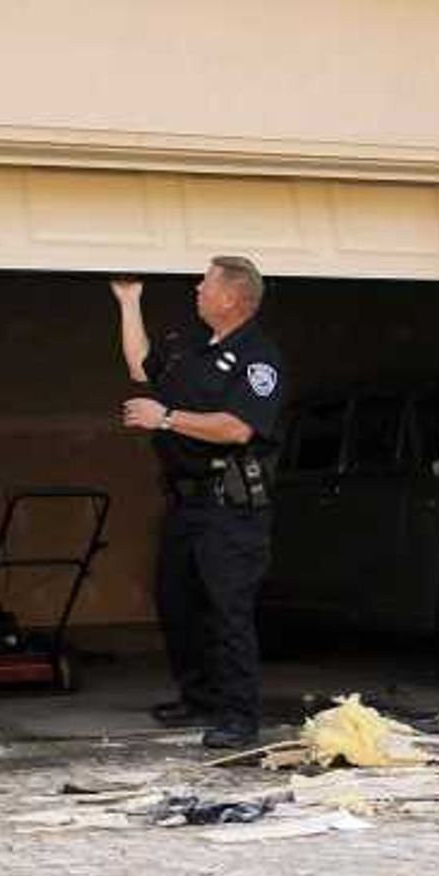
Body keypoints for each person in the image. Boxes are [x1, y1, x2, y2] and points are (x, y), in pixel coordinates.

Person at [112, 257, 285, 748]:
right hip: (186, 504)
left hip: (230, 507)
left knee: (227, 610)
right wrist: (130, 301)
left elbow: (237, 427)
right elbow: (138, 363)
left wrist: (164, 418)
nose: (197, 288)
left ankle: (238, 716)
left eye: (206, 283)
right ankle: (200, 698)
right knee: (177, 602)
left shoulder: (258, 359)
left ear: (231, 298)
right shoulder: (190, 346)